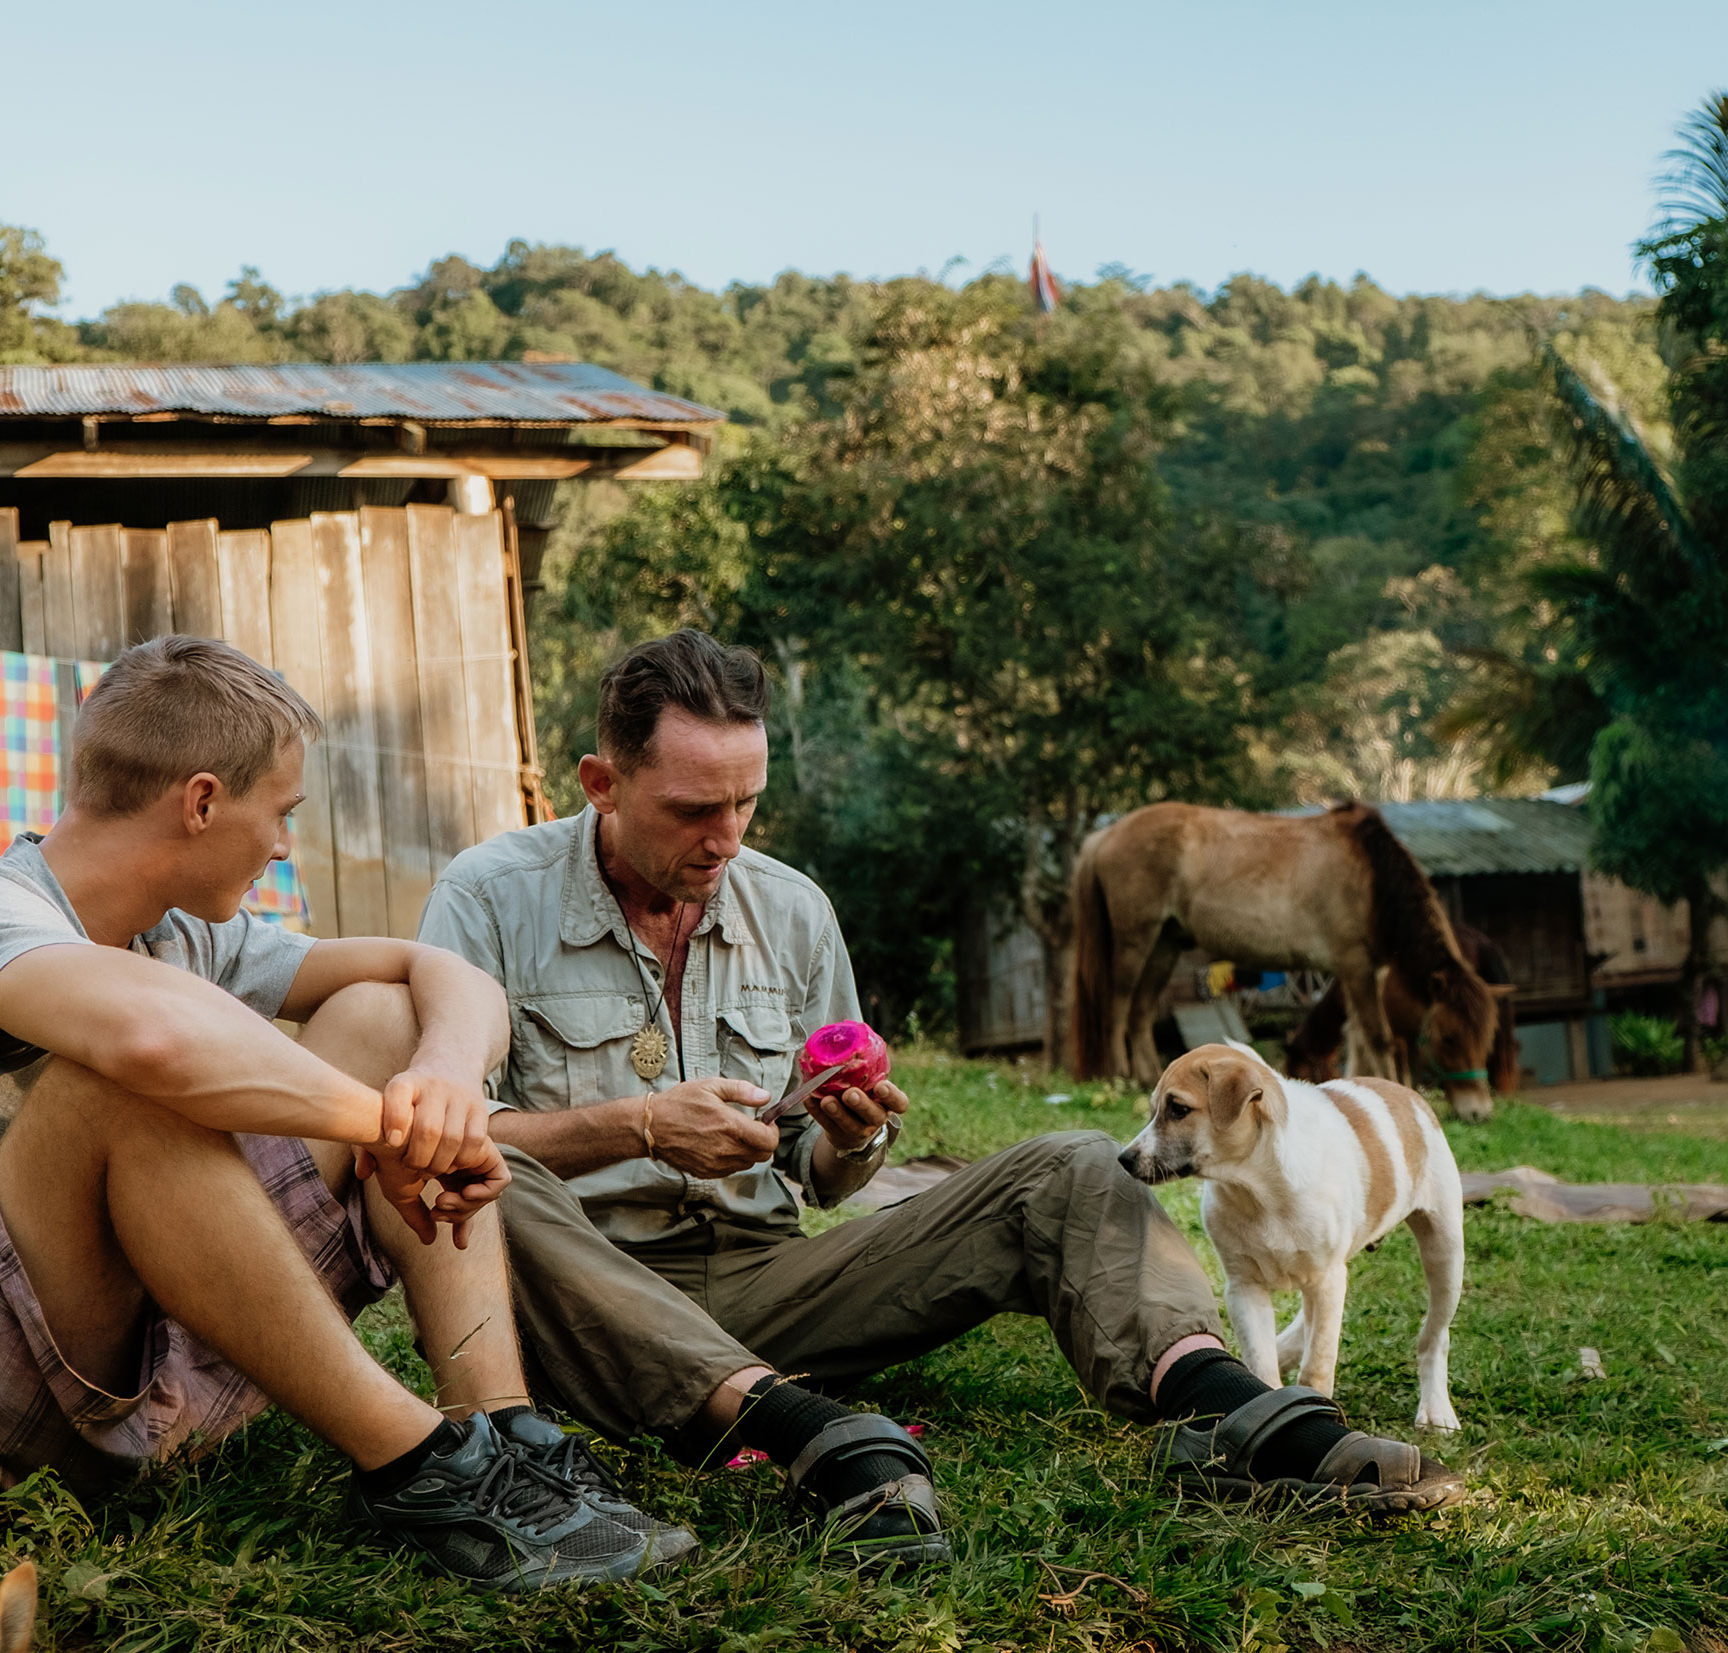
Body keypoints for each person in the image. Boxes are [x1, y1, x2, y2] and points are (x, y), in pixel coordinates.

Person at [419, 629, 1465, 1568]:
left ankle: (1228, 1412)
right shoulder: (488, 896)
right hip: (580, 1297)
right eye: (693, 809)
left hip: (769, 1282)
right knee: (484, 1179)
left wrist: (848, 1138)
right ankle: (810, 1441)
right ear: (601, 781)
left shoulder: (788, 908)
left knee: (1066, 1164)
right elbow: (438, 1140)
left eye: (746, 803)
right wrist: (637, 1127)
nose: (726, 837)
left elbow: (821, 1180)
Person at [0, 636, 689, 1593]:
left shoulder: (178, 932)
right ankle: (422, 1468)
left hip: (106, 1362)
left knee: (382, 1015)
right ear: (204, 801)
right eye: (282, 814)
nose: (286, 844)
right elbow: (149, 1047)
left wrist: (449, 1080)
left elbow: (441, 973)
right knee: (119, 1080)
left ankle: (502, 1433)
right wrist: (391, 1128)